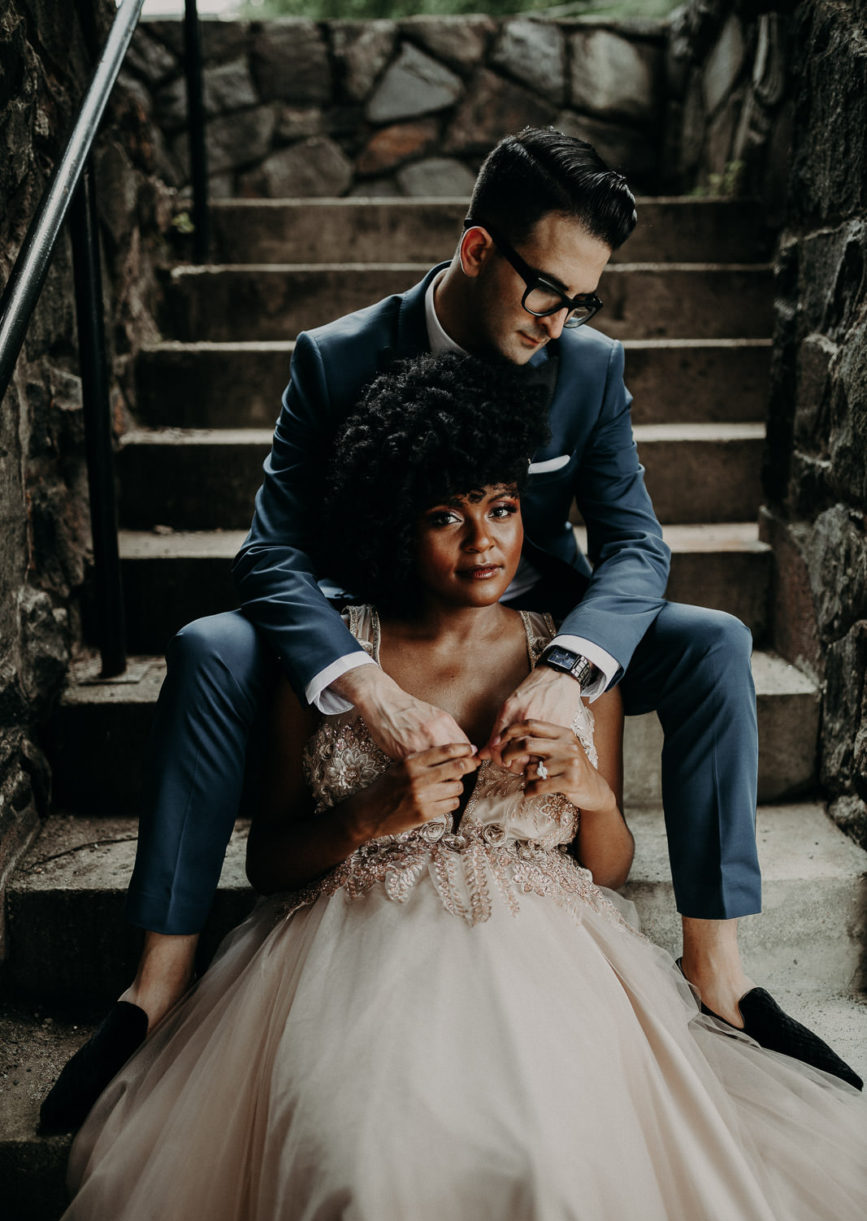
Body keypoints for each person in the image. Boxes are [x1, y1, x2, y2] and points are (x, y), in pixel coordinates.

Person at [40, 127, 860, 1134]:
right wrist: (364, 684)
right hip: (363, 614)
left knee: (719, 641)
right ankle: (156, 984)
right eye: (546, 292)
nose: (562, 321)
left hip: (531, 612)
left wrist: (566, 665)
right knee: (213, 646)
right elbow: (269, 553)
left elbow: (638, 548)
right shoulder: (336, 359)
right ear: (478, 252)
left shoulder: (588, 369)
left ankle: (720, 968)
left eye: (584, 300)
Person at [17, 353, 867, 1221]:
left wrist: (585, 786)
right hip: (348, 956)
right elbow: (267, 858)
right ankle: (156, 995)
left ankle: (719, 990)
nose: (483, 541)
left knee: (548, 1163)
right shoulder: (339, 661)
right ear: (394, 525)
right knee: (363, 1175)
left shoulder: (571, 656)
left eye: (501, 507)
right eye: (444, 516)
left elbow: (611, 865)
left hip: (546, 956)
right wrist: (371, 817)